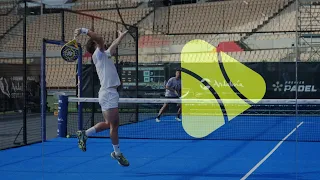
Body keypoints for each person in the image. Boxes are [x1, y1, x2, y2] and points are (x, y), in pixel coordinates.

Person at [74, 28, 129, 167]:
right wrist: (83, 30)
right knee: (114, 126)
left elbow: (114, 45)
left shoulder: (106, 54)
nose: (102, 43)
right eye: (98, 42)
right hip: (108, 93)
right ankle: (116, 153)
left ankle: (84, 134)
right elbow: (99, 38)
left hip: (108, 93)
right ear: (94, 45)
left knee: (110, 124)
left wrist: (121, 36)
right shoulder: (98, 54)